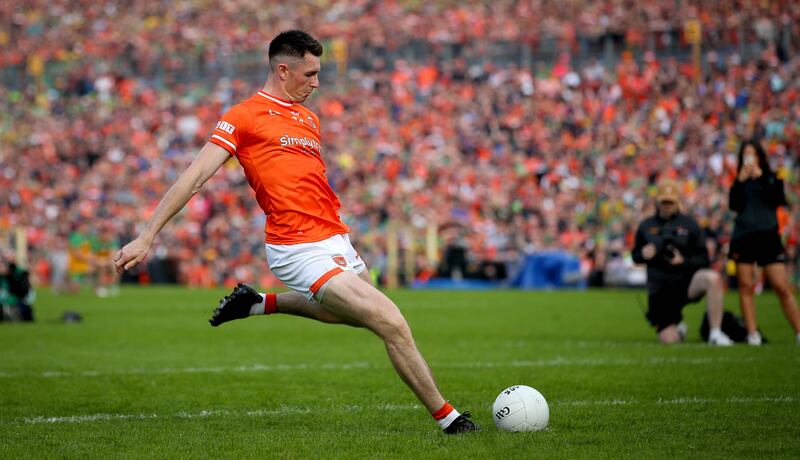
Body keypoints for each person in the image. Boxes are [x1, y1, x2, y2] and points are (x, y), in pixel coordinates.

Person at [114, 30, 477, 434]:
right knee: (391, 321)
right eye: (310, 74)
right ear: (283, 70)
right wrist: (147, 235)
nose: (316, 83)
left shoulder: (309, 119)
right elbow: (195, 176)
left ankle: (259, 303)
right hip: (297, 246)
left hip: (335, 237)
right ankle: (450, 419)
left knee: (357, 317)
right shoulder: (244, 116)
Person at [632, 180, 733, 345]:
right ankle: (677, 327)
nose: (667, 206)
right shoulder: (645, 226)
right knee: (670, 340)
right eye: (664, 202)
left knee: (712, 278)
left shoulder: (690, 224)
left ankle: (715, 332)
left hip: (685, 282)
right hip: (659, 289)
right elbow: (635, 256)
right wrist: (643, 254)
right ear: (658, 202)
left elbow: (704, 259)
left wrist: (683, 261)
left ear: (677, 201)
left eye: (670, 202)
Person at [728, 139, 800, 346]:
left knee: (781, 286)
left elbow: (778, 199)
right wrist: (739, 181)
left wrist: (762, 177)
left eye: (752, 154)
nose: (749, 158)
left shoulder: (772, 178)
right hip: (744, 236)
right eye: (746, 154)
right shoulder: (738, 181)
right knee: (746, 286)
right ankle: (753, 334)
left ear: (759, 157)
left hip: (768, 236)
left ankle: (798, 331)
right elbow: (734, 205)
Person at [0, 253, 35, 322]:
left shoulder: (20, 274)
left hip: (16, 301)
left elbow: (23, 291)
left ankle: (12, 313)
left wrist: (9, 276)